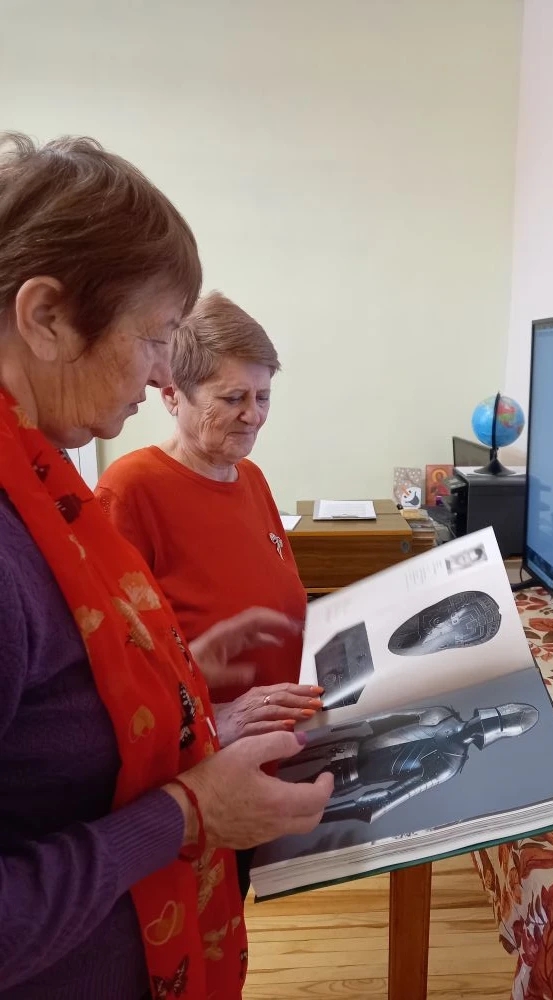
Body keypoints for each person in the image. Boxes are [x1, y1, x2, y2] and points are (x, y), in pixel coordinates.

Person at [0, 132, 333, 1000]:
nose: (158, 377)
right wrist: (185, 814)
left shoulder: (41, 483)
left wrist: (179, 675)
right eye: (154, 339)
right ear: (46, 317)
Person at [95, 291, 320, 898]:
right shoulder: (131, 489)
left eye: (263, 396)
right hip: (193, 776)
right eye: (232, 398)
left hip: (268, 758)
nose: (254, 416)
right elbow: (112, 664)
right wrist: (212, 720)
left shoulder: (251, 478)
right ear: (172, 394)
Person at [279, 702, 540, 823]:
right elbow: (378, 720)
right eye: (485, 719)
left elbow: (387, 799)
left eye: (486, 726)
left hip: (348, 776)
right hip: (343, 745)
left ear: (488, 738)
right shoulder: (439, 714)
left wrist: (322, 816)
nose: (479, 724)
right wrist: (325, 728)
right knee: (278, 756)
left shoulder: (449, 764)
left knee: (281, 799)